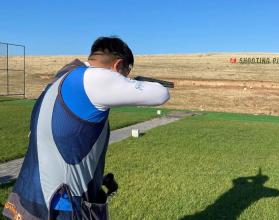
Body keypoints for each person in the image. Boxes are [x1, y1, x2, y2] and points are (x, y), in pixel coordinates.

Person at [3, 36, 170, 220]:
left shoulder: (60, 79)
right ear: (118, 65)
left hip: (29, 200)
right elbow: (161, 94)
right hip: (62, 208)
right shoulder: (92, 78)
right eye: (126, 73)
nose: (126, 78)